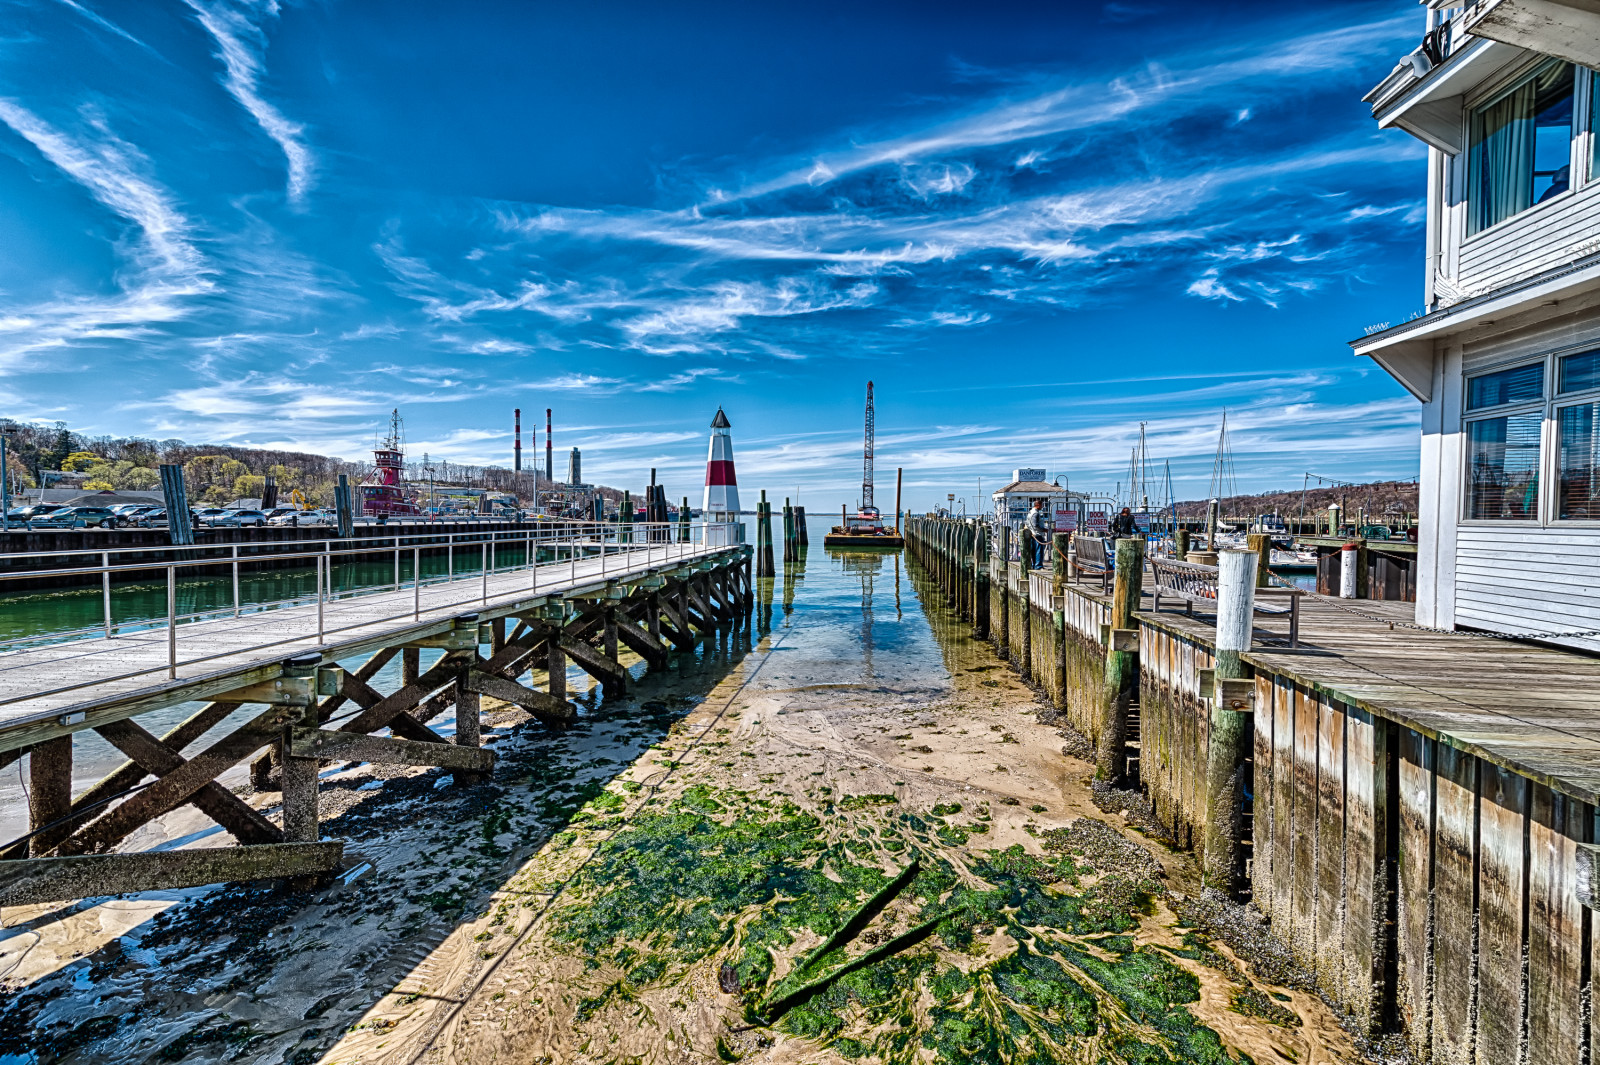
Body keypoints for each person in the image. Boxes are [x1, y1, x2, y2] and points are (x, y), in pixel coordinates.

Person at [1023, 498, 1051, 569]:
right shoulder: (1035, 513)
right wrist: (1043, 530)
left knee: (1034, 550)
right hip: (1037, 534)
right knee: (1038, 550)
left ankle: (1035, 564)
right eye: (1041, 505)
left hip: (1033, 534)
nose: (1042, 506)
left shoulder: (1030, 512)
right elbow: (1035, 525)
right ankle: (1038, 565)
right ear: (1038, 505)